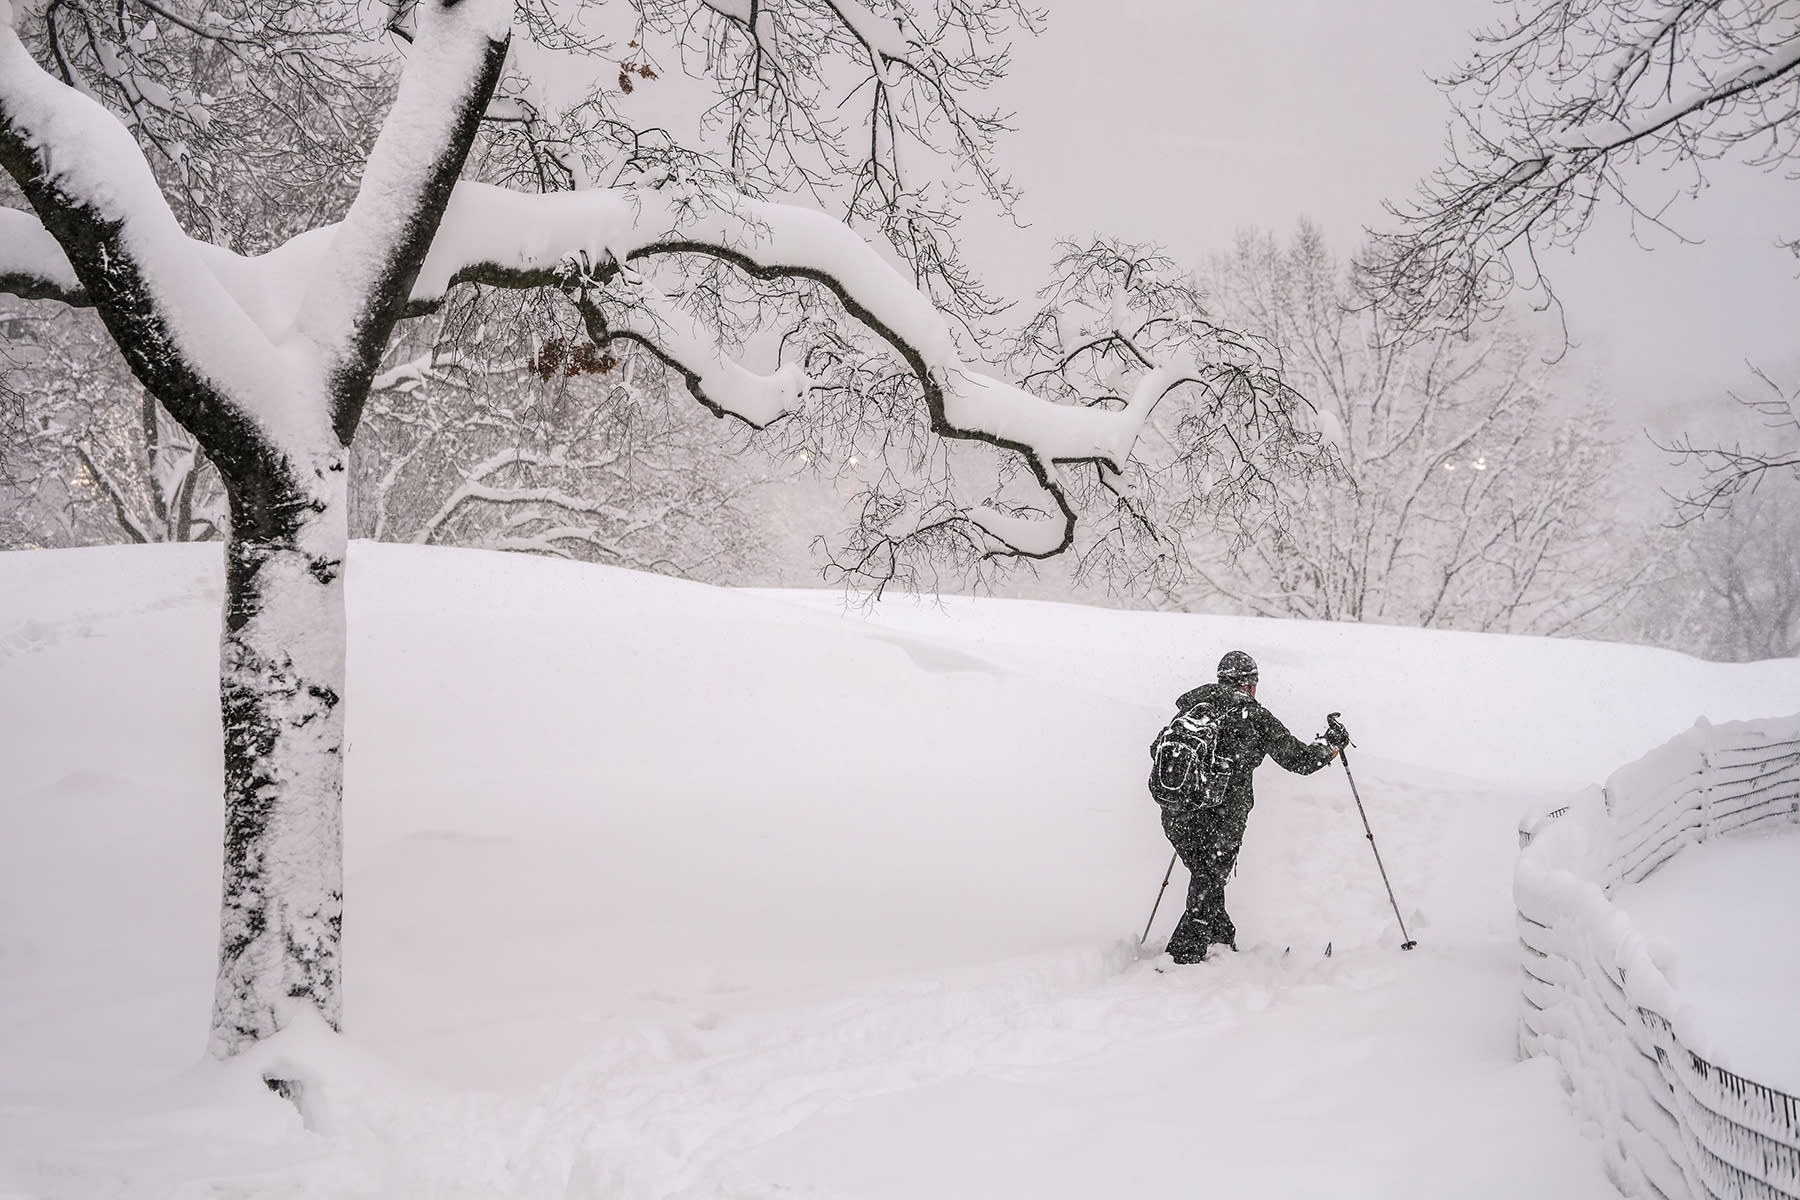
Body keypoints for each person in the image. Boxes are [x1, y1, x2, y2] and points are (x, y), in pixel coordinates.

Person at [1157, 649, 1348, 964]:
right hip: (1221, 819)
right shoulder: (1254, 716)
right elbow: (1300, 760)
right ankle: (1183, 955)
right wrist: (1331, 744)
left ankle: (1220, 939)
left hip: (1177, 813)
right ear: (1249, 684)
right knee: (1209, 876)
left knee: (1207, 875)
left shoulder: (1193, 710)